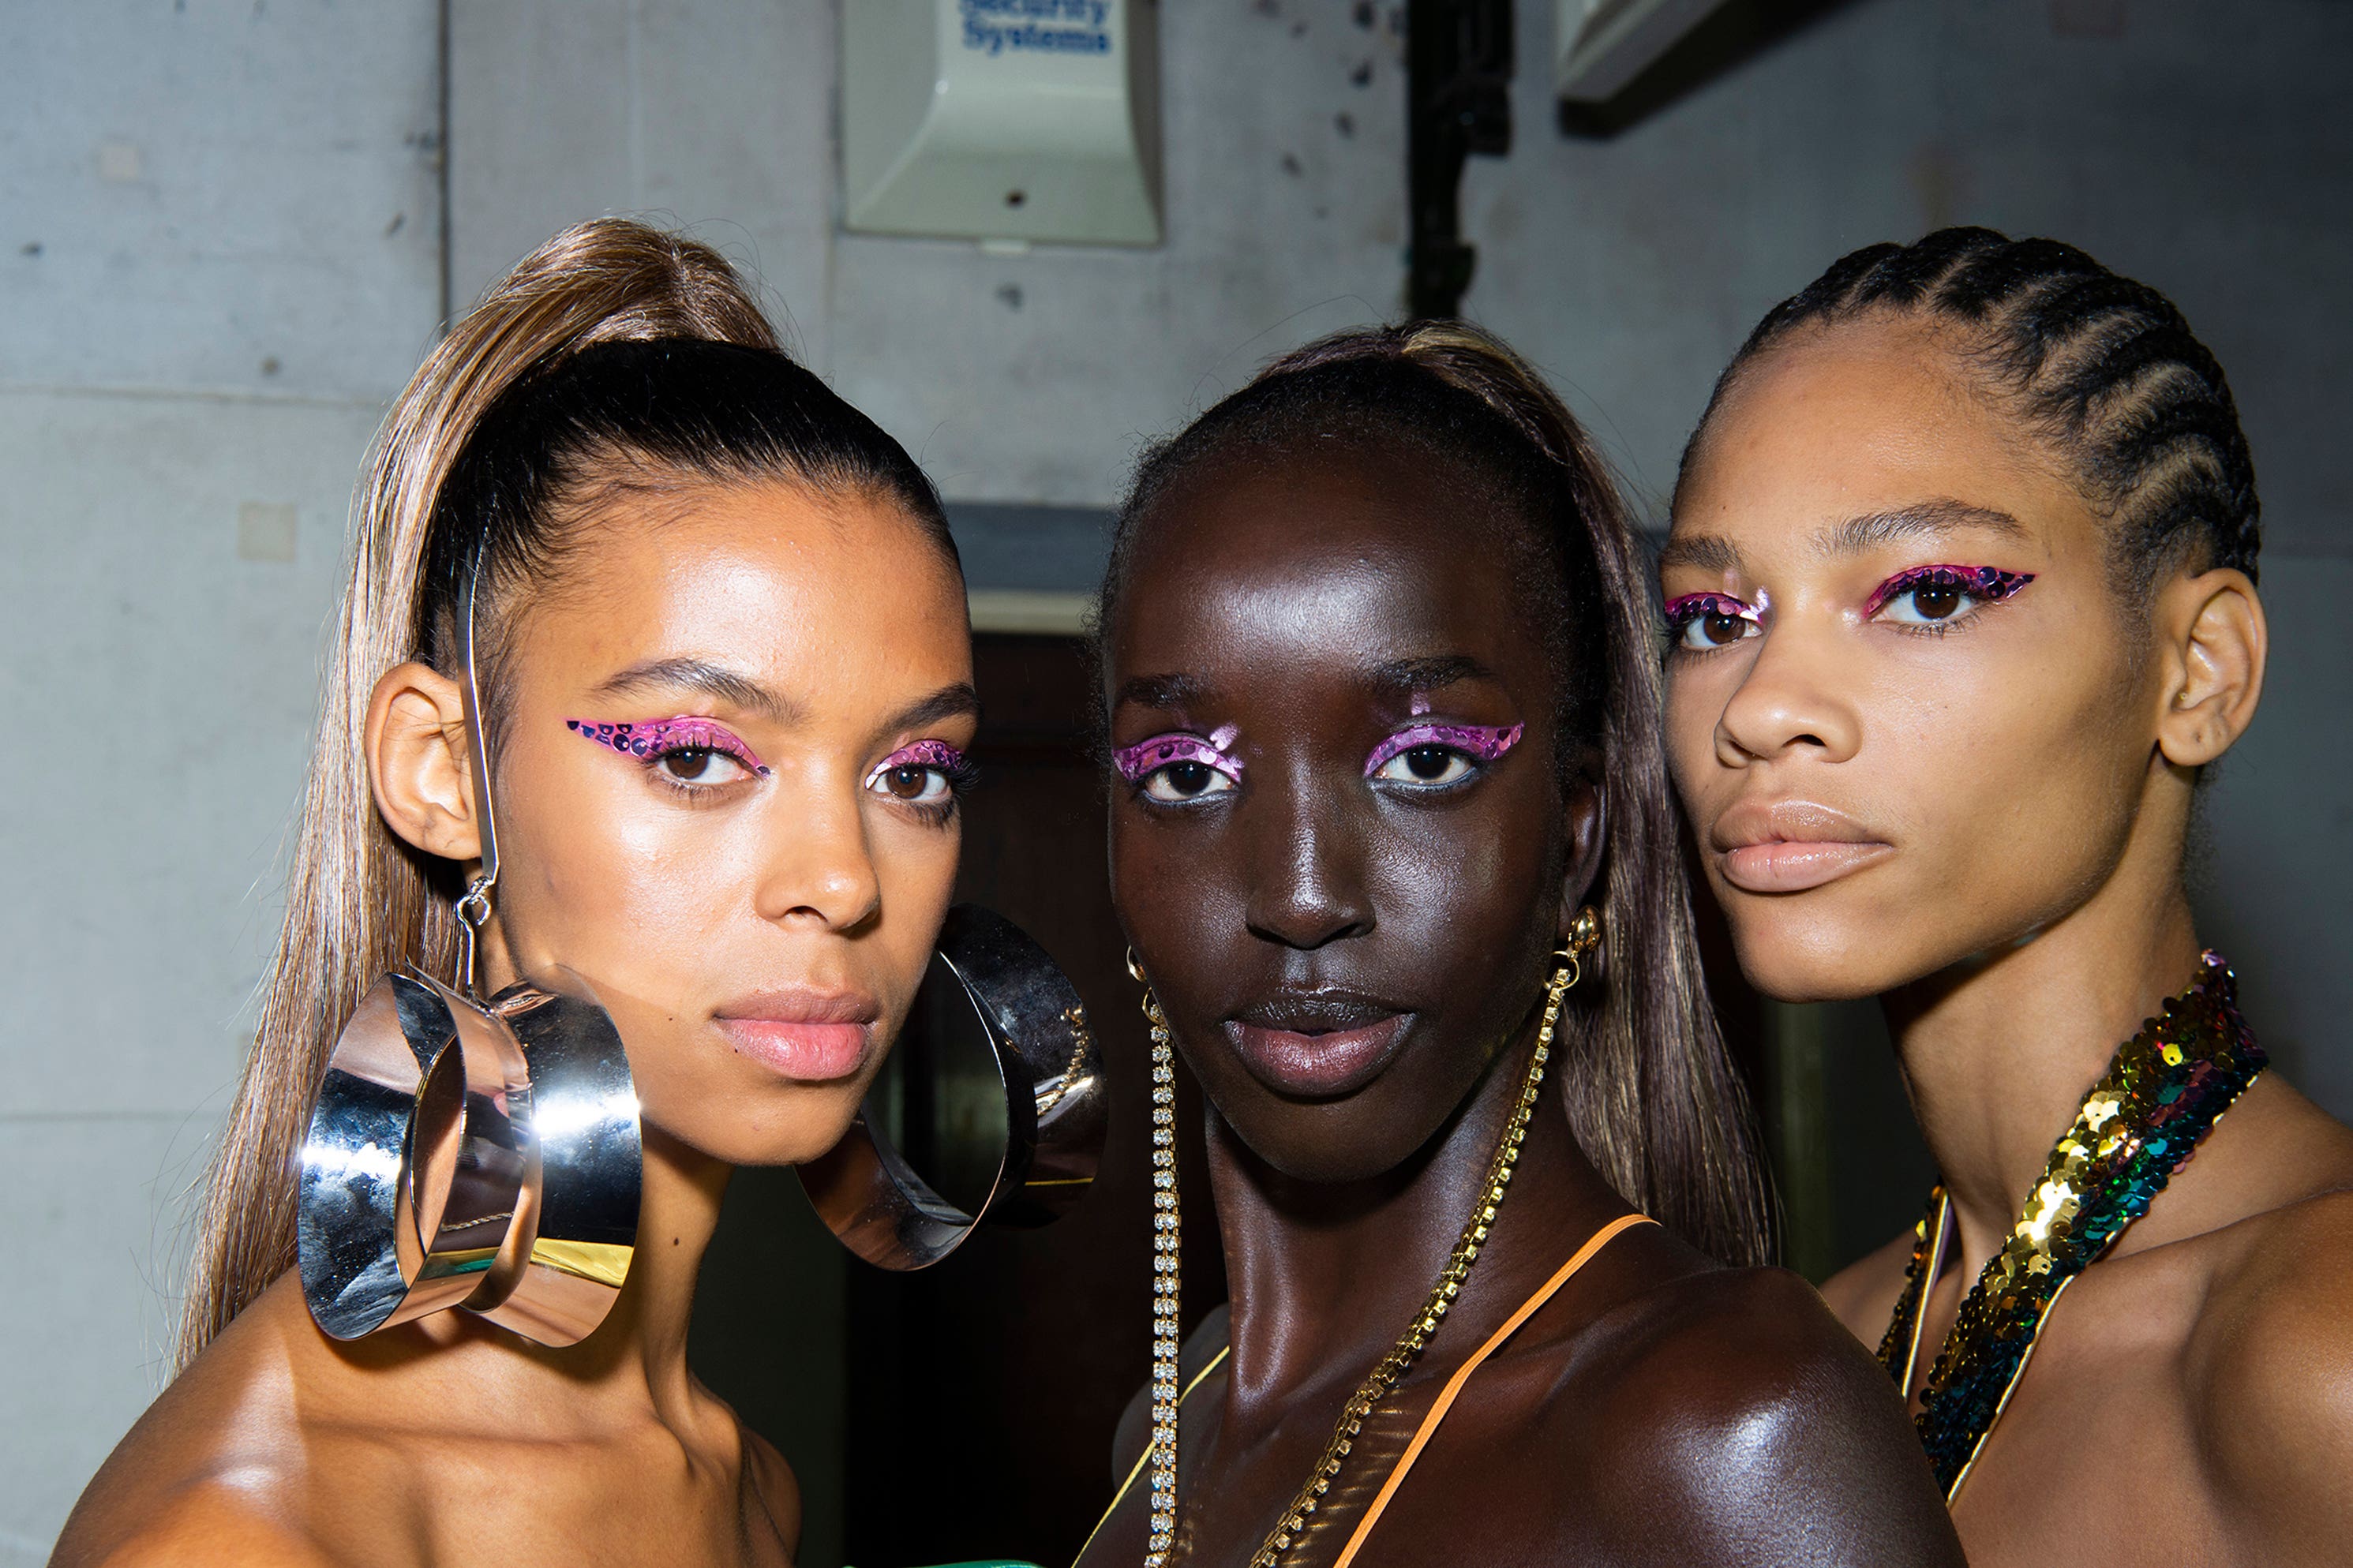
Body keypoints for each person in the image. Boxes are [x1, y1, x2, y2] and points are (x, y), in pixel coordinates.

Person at [54, 219, 991, 1566]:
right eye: (693, 755)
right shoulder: (259, 1536)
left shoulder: (745, 1488)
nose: (843, 880)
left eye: (913, 773)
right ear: (440, 772)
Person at [1077, 323, 1963, 1566]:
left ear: (1576, 834)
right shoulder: (1168, 1439)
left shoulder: (1726, 1431)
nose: (1299, 893)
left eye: (1424, 763)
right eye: (1180, 776)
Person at [1661, 226, 2353, 1562]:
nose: (1760, 708)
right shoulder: (1818, 1344)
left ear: (2196, 672)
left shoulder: (2317, 1342)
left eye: (1925, 596)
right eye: (1710, 618)